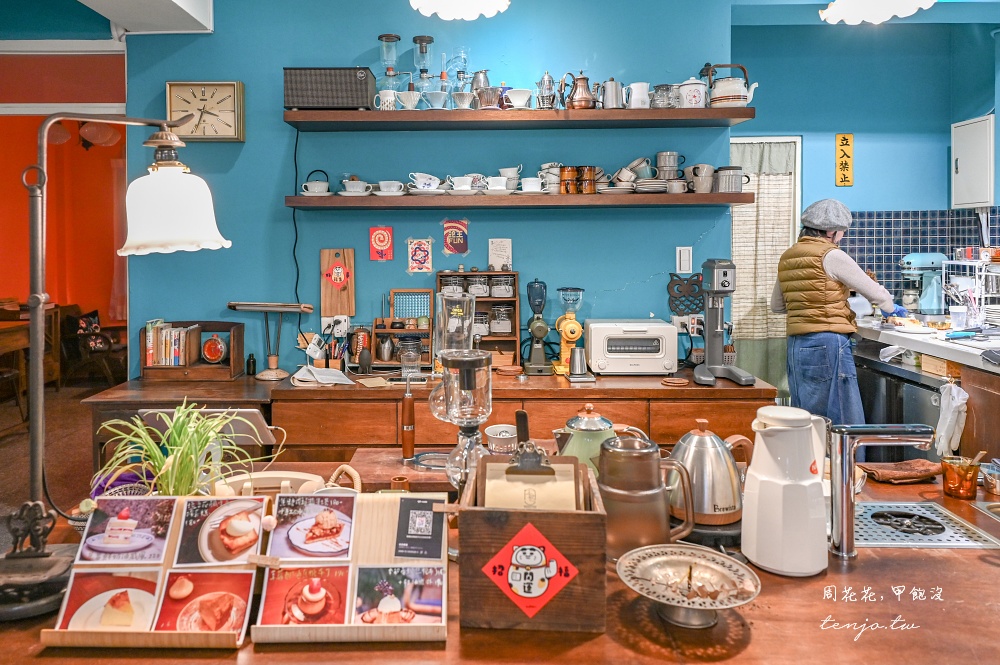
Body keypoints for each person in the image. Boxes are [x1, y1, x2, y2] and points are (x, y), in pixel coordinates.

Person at [771, 199, 908, 425]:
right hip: (828, 343)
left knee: (807, 419)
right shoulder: (831, 255)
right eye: (843, 231)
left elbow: (777, 306)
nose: (842, 237)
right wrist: (892, 309)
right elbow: (875, 292)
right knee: (843, 419)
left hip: (796, 345)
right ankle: (845, 452)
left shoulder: (788, 256)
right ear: (830, 231)